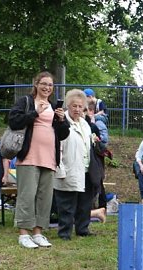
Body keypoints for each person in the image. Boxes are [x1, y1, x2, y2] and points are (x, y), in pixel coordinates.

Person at [8, 71, 69, 249]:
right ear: (36, 84)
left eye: (50, 85)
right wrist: (35, 113)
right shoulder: (26, 102)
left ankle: (38, 232)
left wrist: (62, 120)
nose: (47, 88)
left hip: (49, 158)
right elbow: (13, 120)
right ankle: (24, 233)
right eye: (43, 84)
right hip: (29, 157)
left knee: (45, 197)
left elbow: (63, 134)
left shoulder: (53, 106)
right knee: (27, 195)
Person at [52, 90, 95, 240]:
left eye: (80, 106)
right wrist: (60, 168)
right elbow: (58, 148)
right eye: (74, 106)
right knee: (66, 204)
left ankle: (83, 229)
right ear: (68, 106)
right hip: (68, 166)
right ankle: (64, 232)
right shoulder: (62, 123)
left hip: (86, 167)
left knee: (85, 203)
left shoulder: (85, 124)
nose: (77, 109)